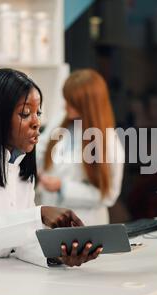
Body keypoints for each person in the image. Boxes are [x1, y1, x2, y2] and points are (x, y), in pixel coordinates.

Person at [0, 68, 102, 268]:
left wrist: (57, 255)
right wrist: (38, 215)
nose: (37, 122)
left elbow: (22, 243)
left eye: (38, 113)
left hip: (10, 281)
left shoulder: (20, 167)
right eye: (25, 113)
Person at [36, 69, 125, 226]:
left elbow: (108, 195)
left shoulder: (109, 142)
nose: (65, 105)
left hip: (86, 223)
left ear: (88, 105)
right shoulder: (61, 120)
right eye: (66, 99)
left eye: (72, 102)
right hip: (50, 218)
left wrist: (62, 187)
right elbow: (40, 149)